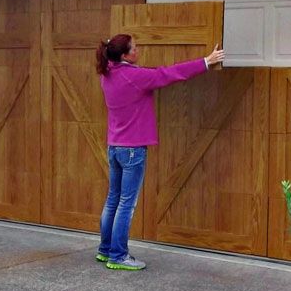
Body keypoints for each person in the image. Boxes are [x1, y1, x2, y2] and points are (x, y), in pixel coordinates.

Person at [94, 34, 226, 270]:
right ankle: (118, 256)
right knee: (126, 203)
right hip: (133, 150)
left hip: (115, 147)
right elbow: (169, 74)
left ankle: (105, 251)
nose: (139, 49)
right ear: (125, 55)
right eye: (134, 47)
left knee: (113, 199)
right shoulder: (134, 76)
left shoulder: (107, 73)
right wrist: (206, 61)